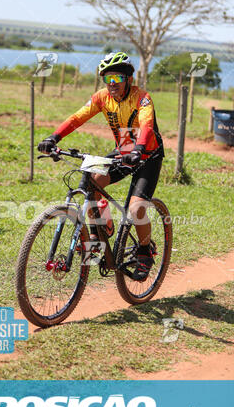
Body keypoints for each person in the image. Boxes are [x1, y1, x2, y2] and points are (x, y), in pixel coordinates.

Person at [37, 52, 164, 282]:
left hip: (148, 155)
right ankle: (98, 232)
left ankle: (145, 251)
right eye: (108, 79)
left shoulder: (142, 98)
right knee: (91, 180)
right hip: (125, 150)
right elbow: (77, 118)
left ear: (128, 78)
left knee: (136, 210)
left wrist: (138, 150)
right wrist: (54, 138)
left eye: (117, 78)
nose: (112, 84)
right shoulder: (101, 98)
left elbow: (146, 126)